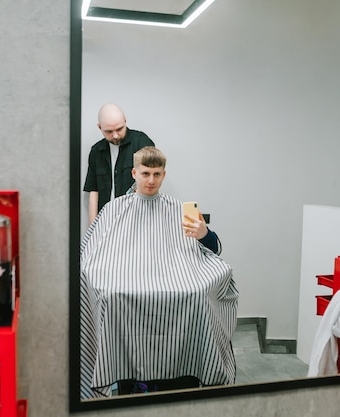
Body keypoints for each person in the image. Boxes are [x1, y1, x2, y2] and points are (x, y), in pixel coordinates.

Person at [79, 146, 237, 398]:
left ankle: (191, 371)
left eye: (156, 174)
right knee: (110, 296)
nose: (151, 180)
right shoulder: (114, 209)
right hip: (126, 278)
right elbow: (90, 253)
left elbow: (214, 249)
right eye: (145, 173)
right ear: (134, 173)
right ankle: (122, 375)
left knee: (198, 295)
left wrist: (204, 234)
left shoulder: (182, 209)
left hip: (178, 273)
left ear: (164, 175)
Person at [83, 103, 155, 224]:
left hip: (136, 220)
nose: (115, 135)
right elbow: (93, 191)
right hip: (106, 220)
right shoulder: (96, 151)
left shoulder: (141, 142)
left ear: (125, 121)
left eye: (119, 129)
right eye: (109, 131)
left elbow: (151, 182)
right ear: (99, 127)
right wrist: (92, 229)